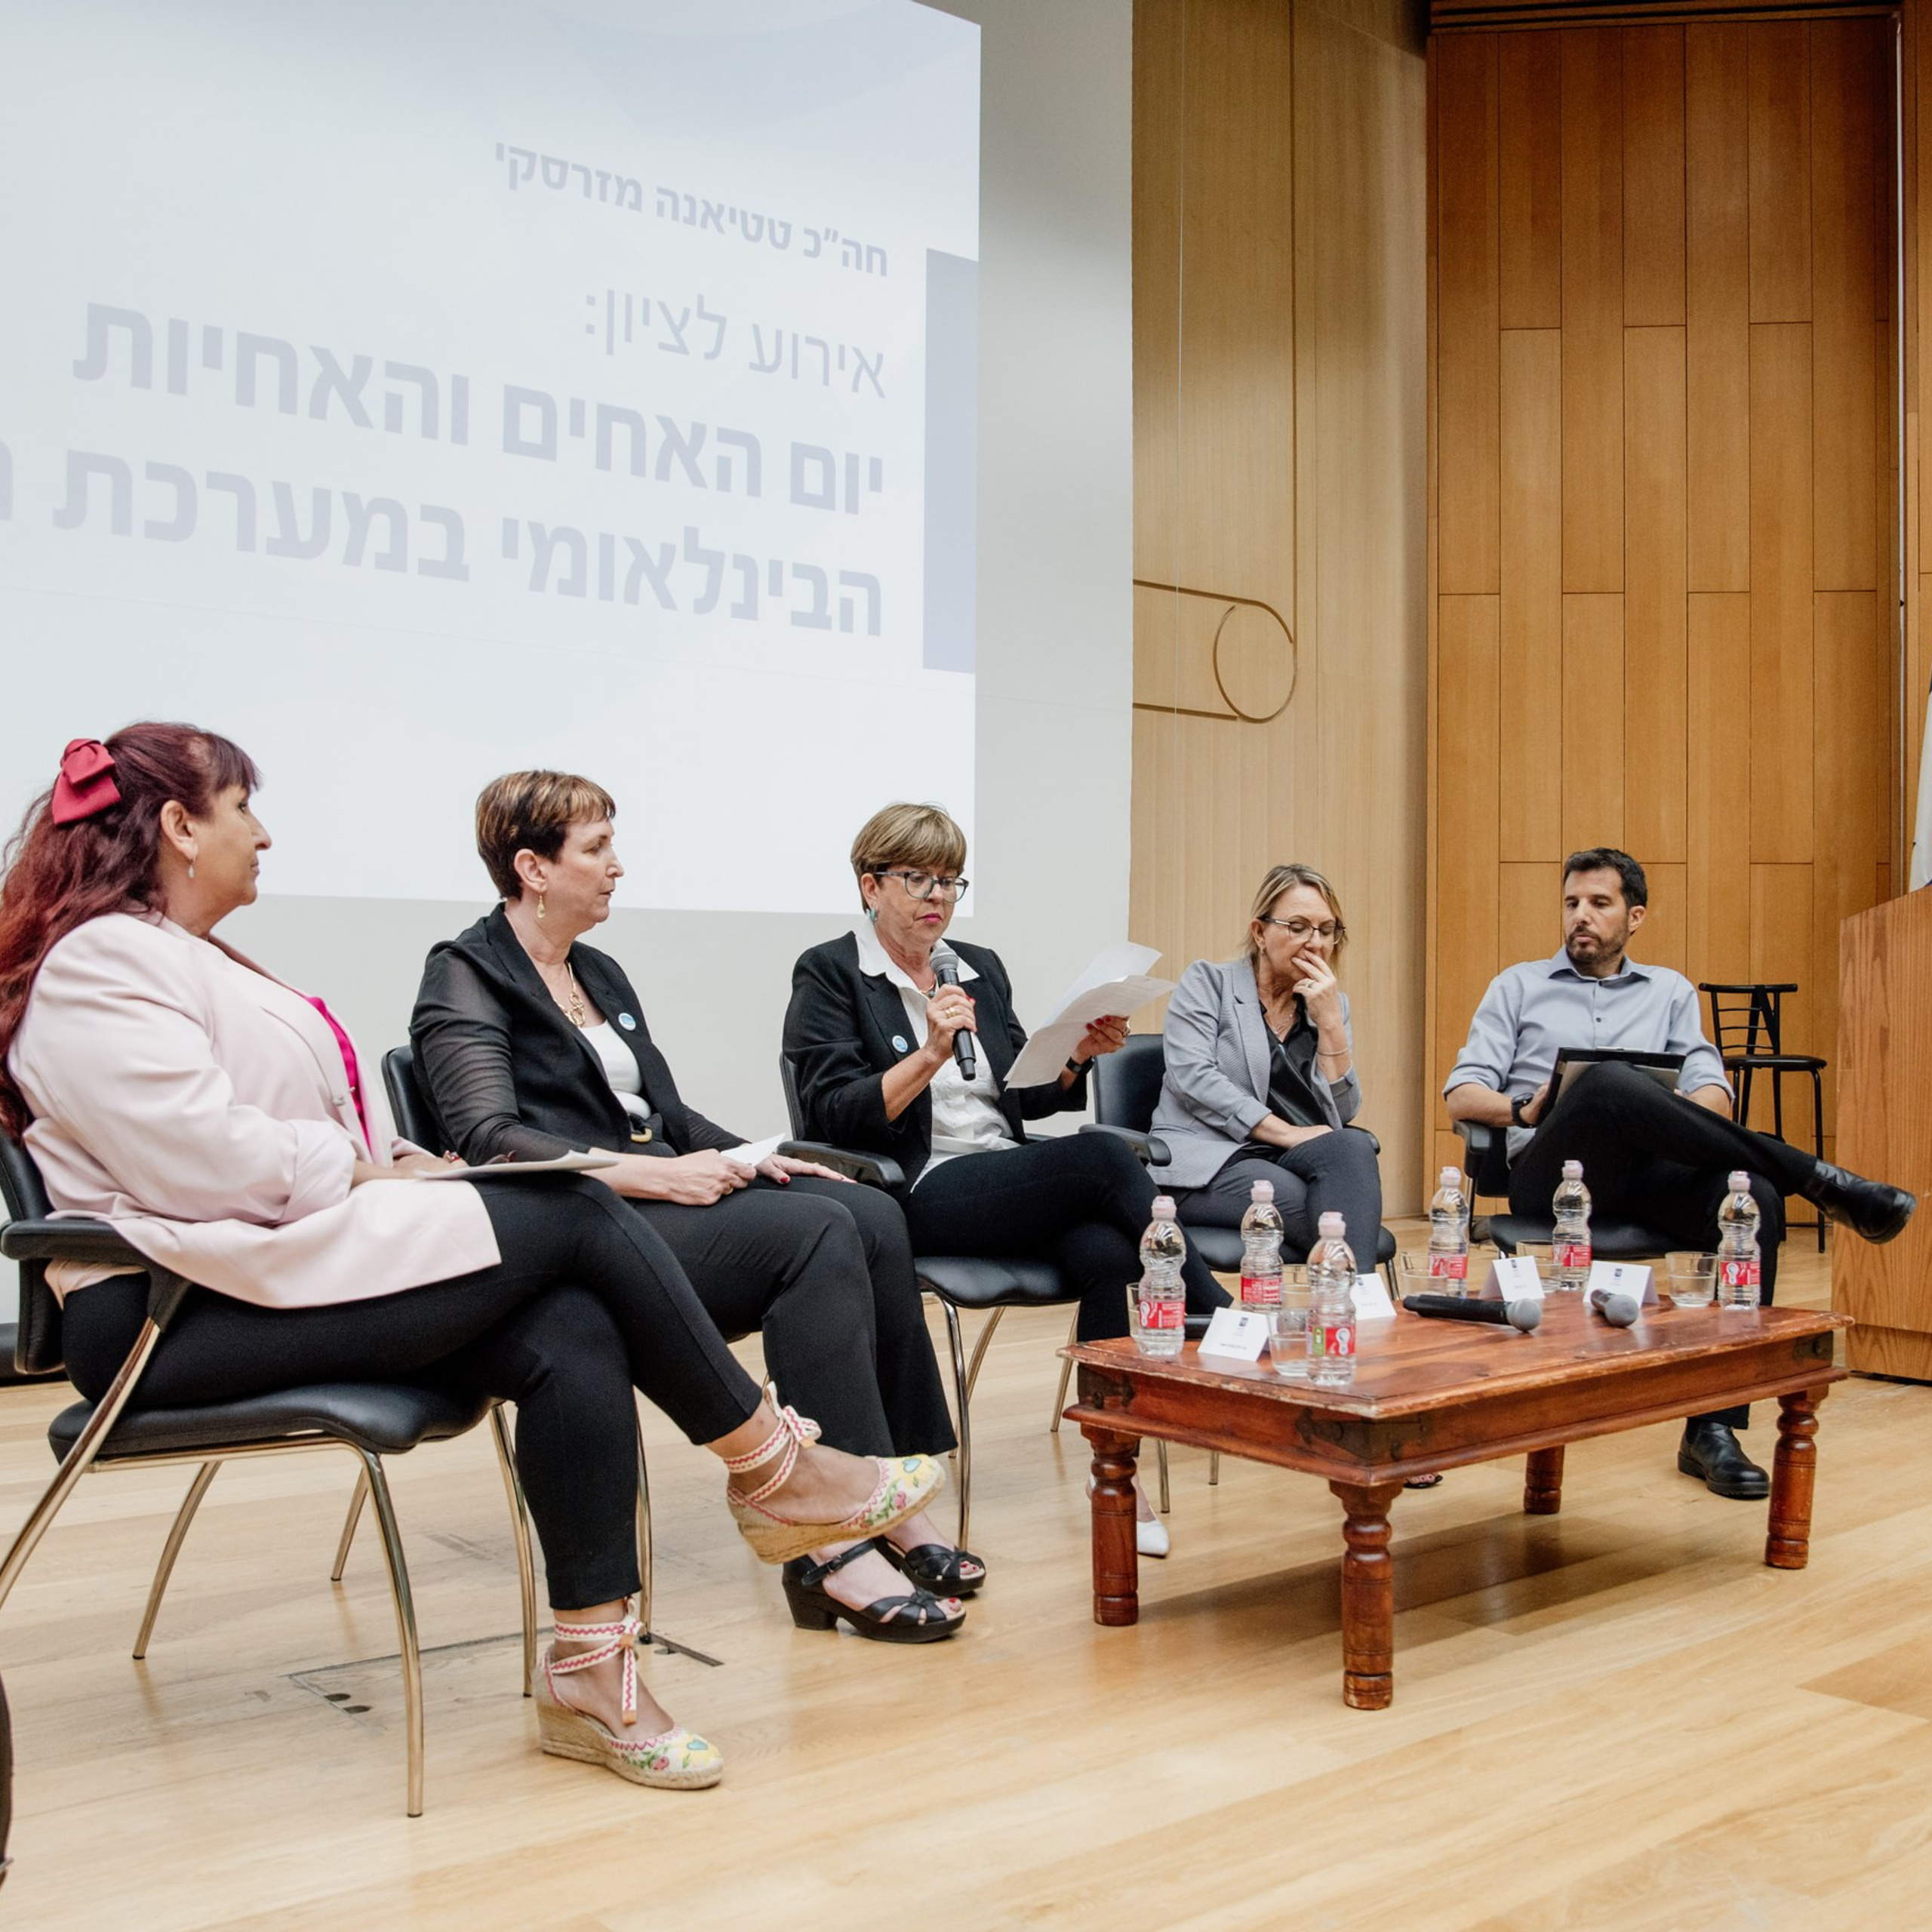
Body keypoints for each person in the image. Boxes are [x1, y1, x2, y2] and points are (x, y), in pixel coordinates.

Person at [0, 725, 947, 1791]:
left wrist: (394, 1160)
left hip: (269, 1271)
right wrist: (369, 1177)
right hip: (167, 1316)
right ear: (179, 826)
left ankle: (593, 1674)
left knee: (570, 1326)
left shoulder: (183, 955)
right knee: (574, 1217)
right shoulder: (98, 962)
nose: (261, 835)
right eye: (241, 810)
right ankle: (774, 1468)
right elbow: (201, 1158)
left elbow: (277, 1135)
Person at [411, 771, 978, 1635]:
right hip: (585, 1224)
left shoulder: (595, 969)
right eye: (596, 850)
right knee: (816, 1236)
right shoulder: (466, 972)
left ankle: (876, 1492)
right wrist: (658, 1175)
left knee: (865, 1208)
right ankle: (833, 1546)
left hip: (655, 1208)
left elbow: (669, 1117)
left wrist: (772, 1157)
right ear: (532, 866)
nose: (617, 867)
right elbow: (490, 1137)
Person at [783, 802, 1229, 1556]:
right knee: (1098, 1157)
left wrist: (1077, 1055)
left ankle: (1114, 1476)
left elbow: (1023, 1096)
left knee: (1103, 1250)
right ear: (870, 884)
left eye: (951, 880)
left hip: (998, 1174)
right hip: (917, 1190)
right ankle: (1214, 1311)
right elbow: (832, 1114)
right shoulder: (830, 972)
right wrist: (927, 1052)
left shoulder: (978, 966)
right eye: (918, 878)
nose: (938, 897)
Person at [1444, 846, 1915, 1500]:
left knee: (1751, 1205)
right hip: (1553, 1181)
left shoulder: (1669, 991)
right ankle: (1818, 1178)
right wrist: (1528, 1107)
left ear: (1634, 916)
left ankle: (1713, 1427)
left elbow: (1714, 1094)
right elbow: (1461, 1095)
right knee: (1606, 1079)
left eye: (1599, 904)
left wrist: (1664, 1118)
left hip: (1649, 1178)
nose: (1581, 916)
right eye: (1572, 903)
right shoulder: (1517, 986)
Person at [1150, 863, 1383, 1260]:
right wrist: (1287, 1133)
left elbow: (1341, 1114)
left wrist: (1331, 1026)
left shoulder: (1328, 1005)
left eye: (1326, 930)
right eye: (1298, 927)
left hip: (1286, 1160)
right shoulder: (1209, 984)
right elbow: (1195, 1079)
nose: (1315, 943)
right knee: (1336, 1223)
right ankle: (1352, 1309)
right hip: (1211, 1162)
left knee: (1352, 1146)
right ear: (1260, 932)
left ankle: (1342, 1310)